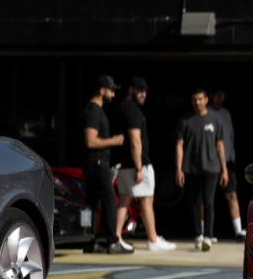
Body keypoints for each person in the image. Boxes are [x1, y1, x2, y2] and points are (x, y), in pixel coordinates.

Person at [113, 77, 176, 252]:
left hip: (124, 164)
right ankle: (153, 239)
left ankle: (116, 237)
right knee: (147, 200)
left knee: (125, 200)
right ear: (131, 89)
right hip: (137, 164)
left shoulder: (122, 108)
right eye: (140, 91)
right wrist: (139, 167)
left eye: (145, 91)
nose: (143, 94)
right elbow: (135, 141)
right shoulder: (132, 110)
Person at [82, 75, 132, 254]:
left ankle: (91, 239)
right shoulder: (93, 111)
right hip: (96, 162)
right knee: (109, 199)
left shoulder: (96, 110)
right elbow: (90, 141)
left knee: (93, 202)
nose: (113, 94)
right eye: (111, 90)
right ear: (102, 90)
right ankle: (112, 241)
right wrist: (114, 140)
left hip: (97, 162)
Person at [175, 89, 229, 252]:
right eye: (194, 99)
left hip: (212, 167)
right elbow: (179, 145)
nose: (197, 102)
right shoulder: (185, 120)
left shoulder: (215, 120)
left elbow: (220, 145)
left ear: (206, 99)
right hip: (191, 168)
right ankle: (198, 234)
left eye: (200, 99)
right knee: (194, 202)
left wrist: (224, 169)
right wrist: (179, 169)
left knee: (209, 201)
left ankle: (208, 235)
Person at [201, 87, 246, 242]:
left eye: (222, 94)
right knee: (206, 198)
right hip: (210, 162)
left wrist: (231, 157)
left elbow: (230, 138)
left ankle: (239, 231)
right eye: (216, 94)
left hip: (228, 161)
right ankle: (203, 232)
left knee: (231, 194)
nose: (219, 97)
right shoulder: (205, 114)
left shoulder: (226, 114)